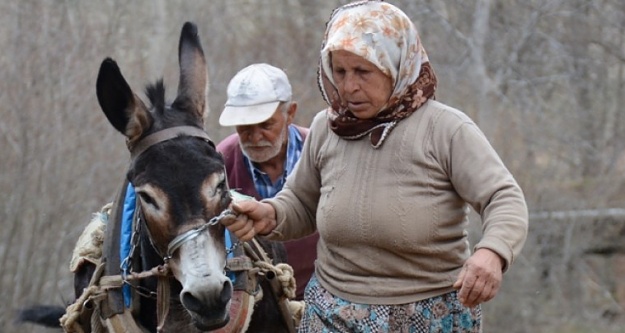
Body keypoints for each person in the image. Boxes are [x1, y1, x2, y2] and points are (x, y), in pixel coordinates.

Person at [220, 1, 529, 332]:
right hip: (331, 314)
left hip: (428, 315)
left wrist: (492, 254)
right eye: (340, 72)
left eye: (363, 72)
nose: (349, 86)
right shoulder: (327, 128)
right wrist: (271, 215)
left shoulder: (445, 129)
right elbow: (301, 202)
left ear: (396, 66)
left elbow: (503, 198)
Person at [217, 63, 319, 301]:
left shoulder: (318, 150)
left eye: (266, 125)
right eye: (244, 127)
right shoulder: (222, 162)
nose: (255, 137)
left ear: (290, 113)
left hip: (322, 293)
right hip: (257, 300)